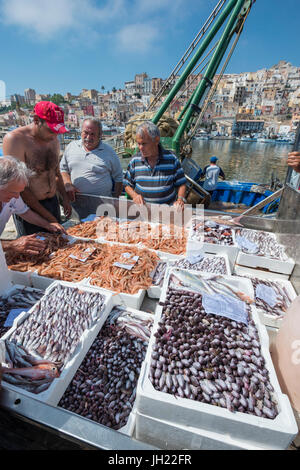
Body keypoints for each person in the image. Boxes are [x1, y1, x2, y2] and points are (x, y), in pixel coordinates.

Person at [2, 101, 72, 235]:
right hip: (28, 208)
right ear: (36, 120)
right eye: (51, 130)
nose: (55, 135)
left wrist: (64, 198)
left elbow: (56, 173)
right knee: (33, 250)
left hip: (53, 202)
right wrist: (48, 218)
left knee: (57, 245)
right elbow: (18, 186)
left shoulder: (53, 140)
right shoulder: (15, 140)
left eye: (58, 131)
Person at [0, 156, 66, 255]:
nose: (17, 197)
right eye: (13, 192)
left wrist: (47, 225)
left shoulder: (12, 195)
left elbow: (25, 212)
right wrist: (11, 245)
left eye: (19, 192)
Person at [60, 117, 123, 218]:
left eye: (93, 134)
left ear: (100, 135)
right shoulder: (71, 147)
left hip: (103, 208)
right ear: (81, 132)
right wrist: (68, 184)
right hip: (76, 206)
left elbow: (119, 178)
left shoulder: (109, 152)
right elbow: (63, 169)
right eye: (85, 133)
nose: (88, 137)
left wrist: (114, 202)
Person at [124, 121, 187, 210]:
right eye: (139, 143)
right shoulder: (135, 161)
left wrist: (180, 199)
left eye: (144, 144)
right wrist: (135, 196)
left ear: (156, 140)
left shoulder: (172, 159)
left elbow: (182, 183)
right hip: (143, 213)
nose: (140, 147)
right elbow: (127, 184)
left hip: (167, 213)